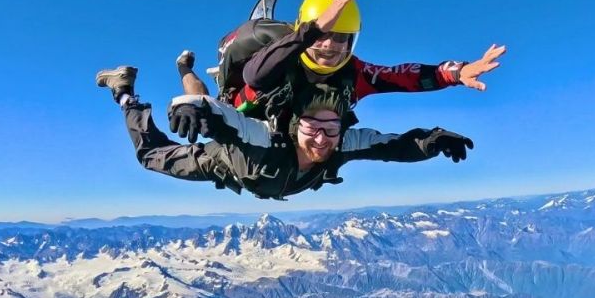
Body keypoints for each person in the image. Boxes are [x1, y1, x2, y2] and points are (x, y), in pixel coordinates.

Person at [96, 65, 474, 200]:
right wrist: (188, 108)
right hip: (223, 161)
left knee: (216, 101)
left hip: (250, 168)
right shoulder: (266, 140)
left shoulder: (342, 144)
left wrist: (432, 140)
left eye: (332, 128)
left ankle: (198, 73)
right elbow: (223, 120)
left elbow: (393, 145)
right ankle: (126, 94)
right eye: (313, 128)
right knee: (150, 157)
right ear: (295, 128)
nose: (323, 139)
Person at [176, 0, 507, 131]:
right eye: (324, 37)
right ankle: (185, 69)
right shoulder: (282, 57)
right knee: (205, 103)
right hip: (243, 110)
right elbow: (255, 76)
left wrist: (456, 72)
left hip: (296, 136)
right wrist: (312, 30)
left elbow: (403, 75)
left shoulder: (354, 73)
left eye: (342, 39)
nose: (332, 47)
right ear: (308, 31)